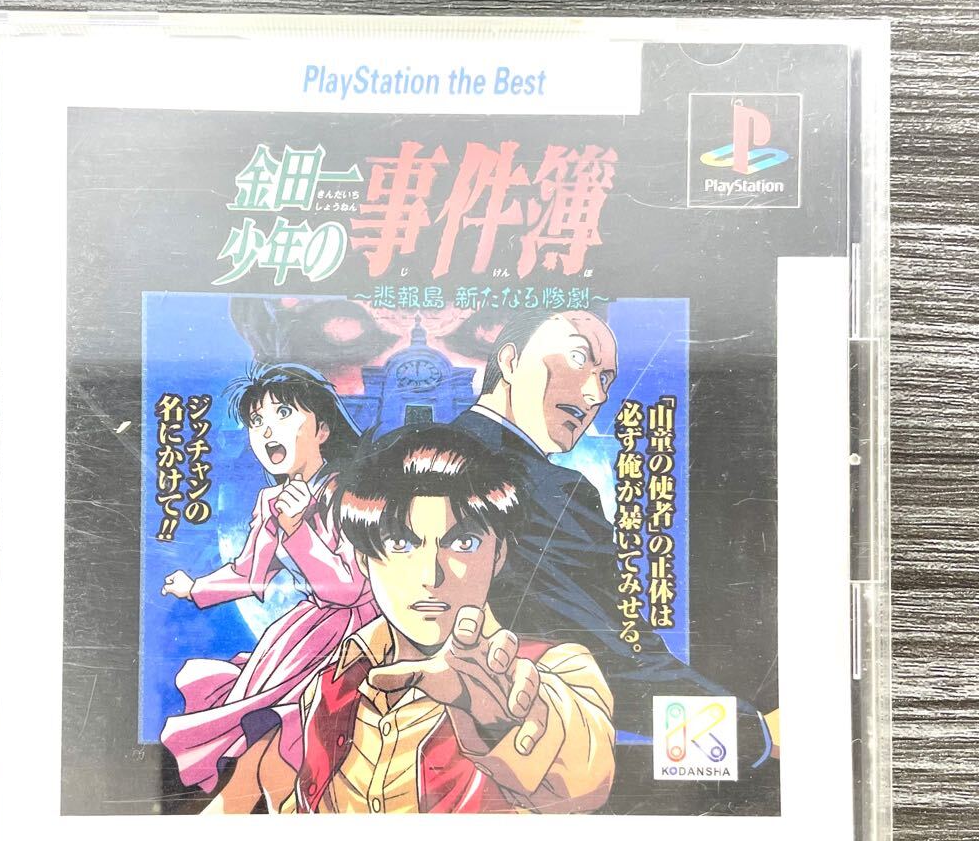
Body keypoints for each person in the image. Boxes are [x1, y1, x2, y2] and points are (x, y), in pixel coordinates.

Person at [451, 309, 779, 776]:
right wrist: (750, 735)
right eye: (578, 358)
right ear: (509, 360)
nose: (596, 395)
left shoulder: (396, 453)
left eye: (605, 378)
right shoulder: (548, 491)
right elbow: (613, 662)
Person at [266, 424, 615, 814]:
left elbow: (586, 780)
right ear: (364, 559)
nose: (431, 576)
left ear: (498, 556)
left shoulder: (556, 668)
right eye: (401, 543)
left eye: (463, 543)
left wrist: (501, 723)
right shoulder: (331, 681)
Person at [158, 364, 378, 812]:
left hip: (359, 634)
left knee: (280, 746)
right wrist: (195, 587)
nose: (266, 430)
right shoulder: (270, 501)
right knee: (261, 748)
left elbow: (350, 588)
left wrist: (297, 529)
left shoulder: (352, 493)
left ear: (322, 430)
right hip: (303, 636)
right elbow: (249, 572)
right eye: (257, 421)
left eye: (283, 413)